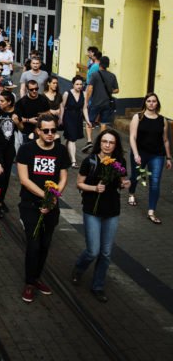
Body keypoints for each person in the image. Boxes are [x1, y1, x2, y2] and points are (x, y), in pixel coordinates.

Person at [16, 114, 70, 303]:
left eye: (53, 131)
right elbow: (24, 179)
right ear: (38, 130)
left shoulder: (61, 151)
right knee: (34, 244)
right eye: (46, 130)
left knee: (45, 245)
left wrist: (54, 197)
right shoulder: (26, 150)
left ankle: (37, 277)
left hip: (52, 205)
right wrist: (45, 196)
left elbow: (63, 177)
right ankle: (29, 283)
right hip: (30, 205)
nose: (49, 134)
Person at [72, 129, 131, 302]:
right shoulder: (90, 161)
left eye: (111, 142)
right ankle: (79, 268)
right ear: (100, 142)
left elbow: (121, 181)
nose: (107, 145)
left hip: (112, 210)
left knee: (105, 253)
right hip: (92, 210)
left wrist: (125, 183)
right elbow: (79, 184)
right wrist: (94, 188)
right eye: (105, 141)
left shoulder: (119, 161)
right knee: (93, 251)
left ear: (115, 145)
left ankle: (98, 286)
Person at [128, 93, 171, 222]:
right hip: (140, 152)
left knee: (155, 182)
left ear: (157, 103)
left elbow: (165, 140)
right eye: (149, 101)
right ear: (145, 103)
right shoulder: (138, 117)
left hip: (157, 155)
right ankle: (131, 193)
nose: (151, 103)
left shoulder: (162, 120)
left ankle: (151, 211)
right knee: (136, 175)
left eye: (154, 101)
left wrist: (168, 157)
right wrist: (136, 154)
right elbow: (132, 137)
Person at [0, 91, 17, 215]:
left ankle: (1, 200)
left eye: (2, 101)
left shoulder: (15, 113)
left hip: (9, 149)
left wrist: (18, 121)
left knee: (6, 177)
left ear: (9, 102)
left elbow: (21, 127)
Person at [61, 76, 91, 168]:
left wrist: (87, 120)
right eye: (77, 84)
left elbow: (85, 108)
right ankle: (73, 161)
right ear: (73, 84)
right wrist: (61, 119)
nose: (79, 86)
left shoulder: (84, 94)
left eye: (81, 84)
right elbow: (62, 106)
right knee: (72, 138)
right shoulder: (67, 93)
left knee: (70, 138)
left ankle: (65, 155)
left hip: (78, 118)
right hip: (68, 117)